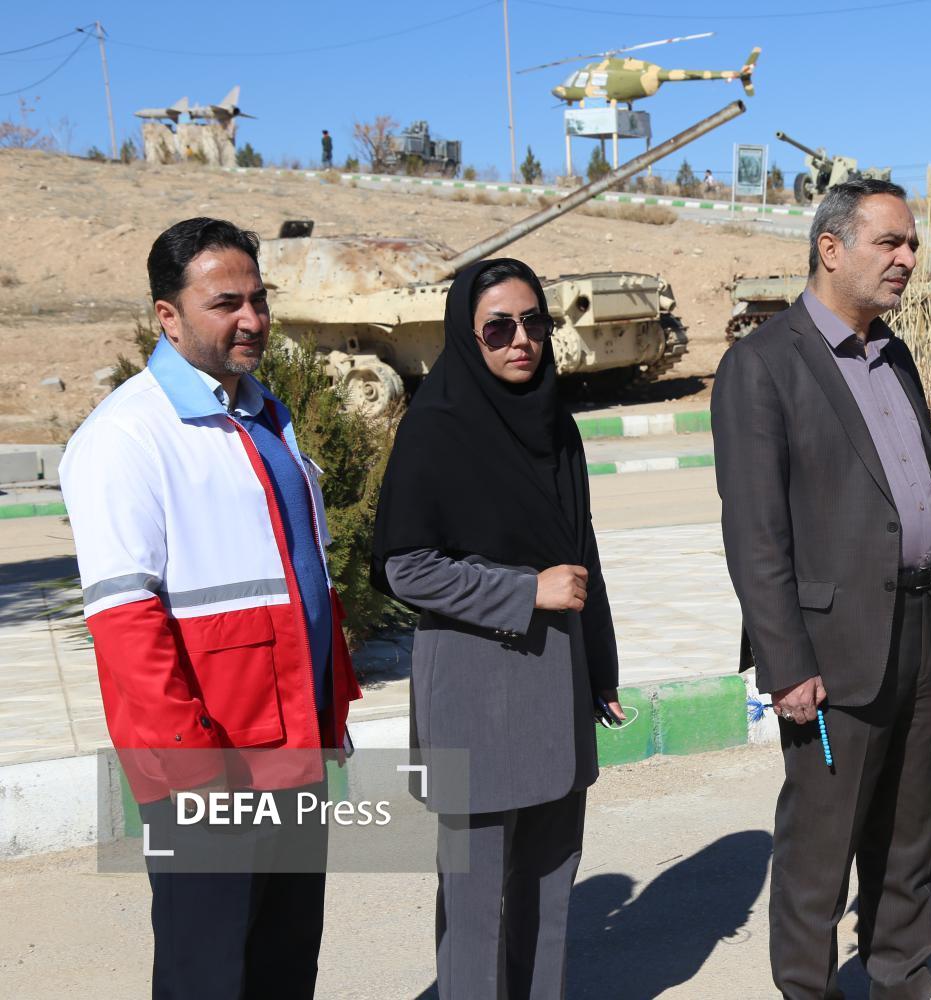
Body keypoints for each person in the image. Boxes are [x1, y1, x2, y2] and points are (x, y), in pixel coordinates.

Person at [59, 217, 362, 999]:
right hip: (210, 767)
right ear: (168, 316)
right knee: (208, 975)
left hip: (294, 751)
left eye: (259, 299)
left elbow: (302, 588)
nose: (252, 320)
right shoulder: (126, 437)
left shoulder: (265, 417)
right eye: (226, 303)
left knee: (284, 967)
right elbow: (126, 628)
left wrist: (329, 722)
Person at [713, 178, 931, 1000]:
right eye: (889, 242)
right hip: (832, 652)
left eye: (912, 244)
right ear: (830, 249)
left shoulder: (895, 355)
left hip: (920, 630)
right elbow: (756, 535)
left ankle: (903, 980)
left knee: (908, 839)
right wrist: (786, 663)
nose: (908, 258)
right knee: (819, 855)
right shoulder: (763, 364)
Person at [371, 257, 621, 1000]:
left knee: (550, 882)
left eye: (534, 323)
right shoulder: (436, 430)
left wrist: (601, 667)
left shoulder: (555, 424)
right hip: (474, 683)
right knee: (476, 897)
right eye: (499, 328)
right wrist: (524, 590)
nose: (521, 341)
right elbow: (406, 568)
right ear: (465, 334)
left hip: (557, 675)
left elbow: (581, 552)